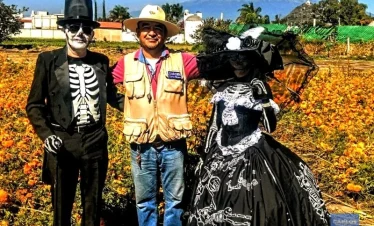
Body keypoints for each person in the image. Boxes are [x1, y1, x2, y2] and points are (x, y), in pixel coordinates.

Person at [187, 28, 330, 226]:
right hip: (220, 153)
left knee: (254, 200)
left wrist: (263, 99)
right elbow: (214, 125)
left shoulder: (259, 88)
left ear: (252, 60)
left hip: (251, 152)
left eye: (243, 58)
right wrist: (205, 156)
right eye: (234, 58)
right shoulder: (222, 89)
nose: (238, 62)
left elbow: (271, 127)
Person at [26, 0, 124, 225]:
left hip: (95, 140)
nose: (80, 33)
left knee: (93, 203)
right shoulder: (48, 60)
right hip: (62, 140)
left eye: (86, 29)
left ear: (92, 34)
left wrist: (142, 107)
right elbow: (34, 104)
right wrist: (47, 134)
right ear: (64, 29)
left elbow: (111, 96)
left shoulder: (101, 61)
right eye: (73, 28)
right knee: (61, 203)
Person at [111, 4, 199, 226]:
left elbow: (216, 66)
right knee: (145, 202)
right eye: (146, 27)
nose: (152, 32)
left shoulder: (183, 61)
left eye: (158, 28)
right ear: (138, 32)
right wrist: (127, 105)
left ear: (165, 33)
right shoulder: (125, 63)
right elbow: (103, 87)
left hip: (174, 146)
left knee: (175, 201)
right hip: (141, 147)